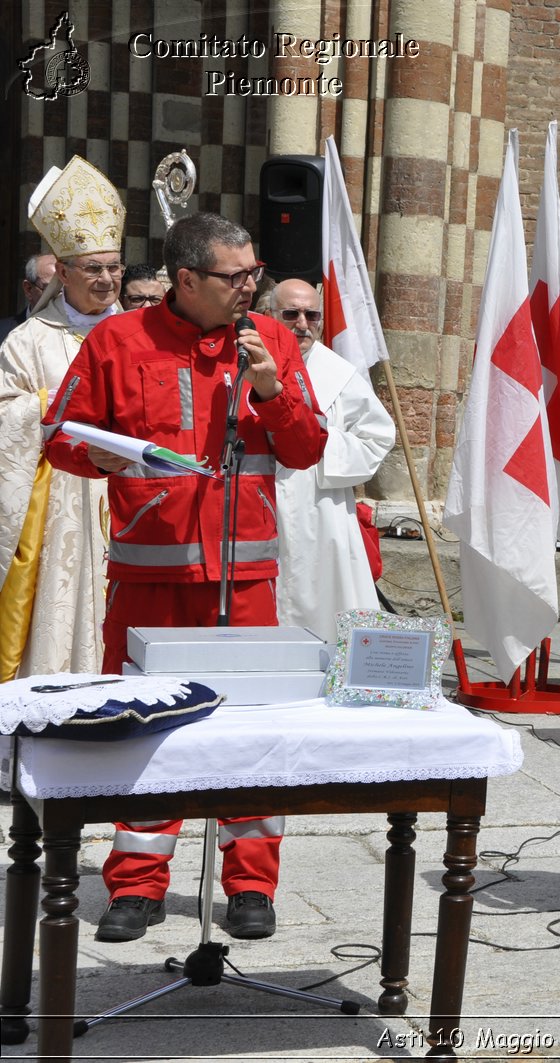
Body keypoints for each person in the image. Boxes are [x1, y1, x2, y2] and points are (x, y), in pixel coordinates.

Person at [43, 211, 327, 943]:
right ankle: (136, 882)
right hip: (150, 581)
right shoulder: (117, 340)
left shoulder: (276, 344)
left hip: (246, 577)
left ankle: (251, 882)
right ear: (189, 279)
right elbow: (60, 435)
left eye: (255, 272)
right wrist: (97, 456)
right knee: (146, 733)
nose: (251, 286)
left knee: (255, 732)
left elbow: (307, 447)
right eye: (238, 277)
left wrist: (272, 389)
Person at [0, 160, 120, 680]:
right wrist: (52, 402)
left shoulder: (143, 332)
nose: (107, 279)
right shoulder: (30, 340)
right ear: (64, 272)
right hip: (59, 499)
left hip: (131, 490)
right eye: (93, 268)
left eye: (115, 266)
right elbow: (7, 414)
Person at [264, 278, 396, 641]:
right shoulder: (250, 363)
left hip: (320, 508)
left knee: (325, 607)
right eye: (291, 314)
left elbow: (377, 438)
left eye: (312, 315)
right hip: (260, 505)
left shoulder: (339, 375)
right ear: (268, 315)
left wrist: (314, 443)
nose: (303, 324)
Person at [0, 252, 58, 344]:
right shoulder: (4, 334)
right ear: (28, 289)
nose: (61, 296)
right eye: (51, 289)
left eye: (66, 289)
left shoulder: (81, 333)